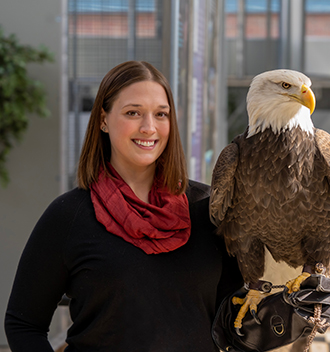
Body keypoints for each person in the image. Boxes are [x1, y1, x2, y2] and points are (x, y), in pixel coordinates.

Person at [4, 61, 243, 352]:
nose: (149, 127)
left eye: (161, 114)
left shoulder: (209, 209)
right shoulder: (69, 215)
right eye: (133, 113)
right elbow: (23, 323)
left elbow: (238, 316)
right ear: (103, 120)